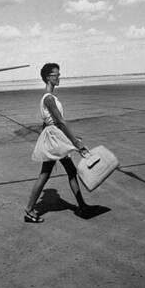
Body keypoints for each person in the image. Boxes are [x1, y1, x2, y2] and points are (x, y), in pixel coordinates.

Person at [24, 63, 91, 223]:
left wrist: (68, 138)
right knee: (47, 174)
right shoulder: (48, 98)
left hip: (55, 138)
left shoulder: (49, 97)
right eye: (56, 75)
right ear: (48, 77)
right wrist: (75, 142)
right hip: (55, 140)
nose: (59, 77)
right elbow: (60, 121)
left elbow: (48, 123)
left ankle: (82, 206)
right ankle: (29, 210)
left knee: (68, 171)